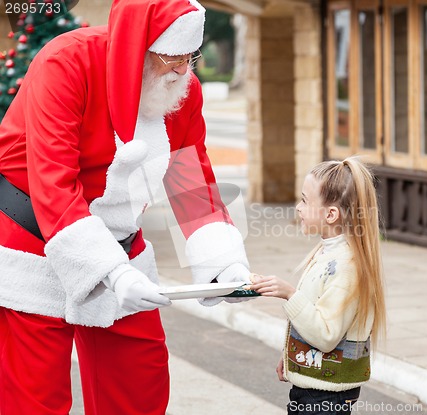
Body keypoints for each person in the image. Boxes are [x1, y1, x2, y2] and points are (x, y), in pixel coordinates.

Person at [0, 1, 251, 414]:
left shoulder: (180, 87)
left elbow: (192, 178)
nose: (180, 69)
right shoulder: (67, 61)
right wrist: (110, 272)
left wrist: (224, 264)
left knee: (140, 383)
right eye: (170, 55)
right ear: (137, 45)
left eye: (190, 56)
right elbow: (53, 181)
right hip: (31, 243)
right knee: (34, 396)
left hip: (119, 242)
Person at [248, 157, 386, 415]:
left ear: (331, 214)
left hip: (325, 395)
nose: (298, 208)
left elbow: (325, 334)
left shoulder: (345, 265)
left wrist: (289, 294)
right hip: (315, 387)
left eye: (304, 200)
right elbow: (312, 319)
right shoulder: (328, 254)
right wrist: (290, 358)